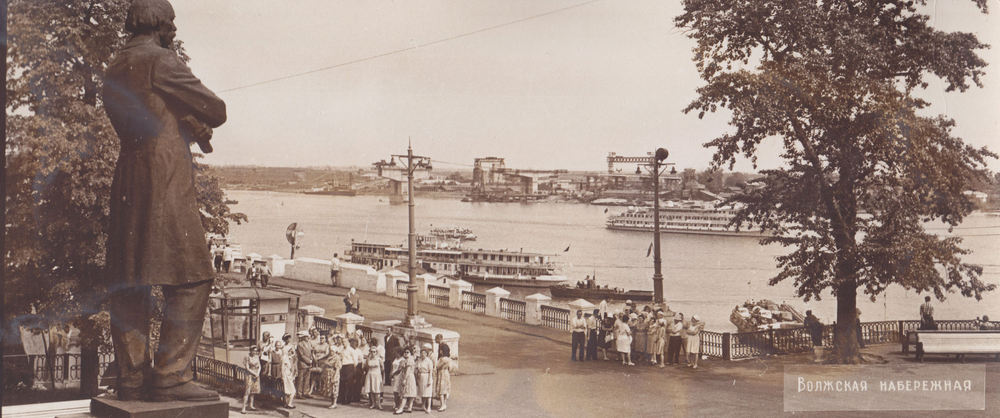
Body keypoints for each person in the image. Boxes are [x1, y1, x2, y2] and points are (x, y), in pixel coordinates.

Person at [102, 0, 227, 402]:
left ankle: (131, 378)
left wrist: (176, 116)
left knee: (129, 277)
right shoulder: (162, 61)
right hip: (164, 178)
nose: (173, 30)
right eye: (170, 23)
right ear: (158, 24)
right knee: (194, 276)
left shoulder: (114, 67)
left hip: (127, 176)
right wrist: (189, 117)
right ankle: (170, 375)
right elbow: (216, 110)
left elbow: (146, 114)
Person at [321, 334, 344, 409]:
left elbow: (337, 368)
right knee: (330, 389)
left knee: (334, 388)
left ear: (335, 351)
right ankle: (332, 402)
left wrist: (335, 376)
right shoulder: (329, 357)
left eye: (332, 351)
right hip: (328, 374)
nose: (331, 352)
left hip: (334, 373)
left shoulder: (337, 358)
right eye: (330, 351)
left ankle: (334, 403)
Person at [274, 340, 296, 409]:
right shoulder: (285, 358)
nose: (291, 352)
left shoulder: (288, 358)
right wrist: (284, 376)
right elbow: (283, 368)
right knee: (292, 391)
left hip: (288, 376)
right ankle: (289, 404)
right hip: (287, 376)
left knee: (288, 391)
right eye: (290, 351)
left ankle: (287, 403)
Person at [395, 347, 418, 415]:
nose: (406, 353)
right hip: (407, 376)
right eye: (405, 352)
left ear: (410, 353)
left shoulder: (410, 360)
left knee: (405, 393)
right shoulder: (405, 360)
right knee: (409, 392)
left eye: (407, 352)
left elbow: (408, 370)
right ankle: (409, 407)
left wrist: (405, 379)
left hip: (408, 377)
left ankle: (401, 408)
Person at [241, 346, 262, 414]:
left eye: (256, 351)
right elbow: (247, 368)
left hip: (256, 375)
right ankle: (243, 408)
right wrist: (254, 373)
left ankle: (251, 405)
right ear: (250, 350)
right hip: (249, 375)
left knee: (253, 391)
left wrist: (258, 373)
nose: (255, 352)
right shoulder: (247, 357)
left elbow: (259, 366)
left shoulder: (257, 357)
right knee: (247, 391)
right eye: (254, 350)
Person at [415, 344, 435, 413]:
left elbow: (431, 371)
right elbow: (417, 368)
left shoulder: (429, 361)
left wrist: (429, 380)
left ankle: (429, 407)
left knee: (428, 393)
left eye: (424, 353)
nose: (423, 354)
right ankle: (423, 406)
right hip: (421, 376)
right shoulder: (419, 360)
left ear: (426, 354)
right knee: (422, 392)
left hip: (427, 376)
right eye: (421, 353)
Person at [295, 330, 314, 398]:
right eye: (306, 336)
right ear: (303, 337)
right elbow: (301, 355)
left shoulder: (309, 343)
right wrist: (308, 361)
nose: (308, 338)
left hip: (308, 364)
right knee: (301, 379)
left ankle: (305, 392)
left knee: (307, 379)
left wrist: (311, 359)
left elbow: (311, 352)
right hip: (302, 363)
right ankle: (299, 393)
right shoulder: (300, 344)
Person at [364, 345, 385, 410]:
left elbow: (382, 368)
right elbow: (366, 367)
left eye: (374, 352)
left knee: (377, 390)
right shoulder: (368, 359)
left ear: (376, 352)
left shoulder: (379, 359)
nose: (373, 353)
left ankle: (378, 404)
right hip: (370, 375)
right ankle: (373, 404)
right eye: (371, 351)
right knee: (371, 390)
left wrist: (380, 375)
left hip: (377, 375)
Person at [435, 344, 453, 412]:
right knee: (445, 389)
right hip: (446, 374)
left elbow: (437, 366)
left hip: (441, 374)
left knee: (441, 390)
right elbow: (450, 368)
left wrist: (442, 365)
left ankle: (442, 404)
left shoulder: (441, 359)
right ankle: (444, 404)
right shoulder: (449, 359)